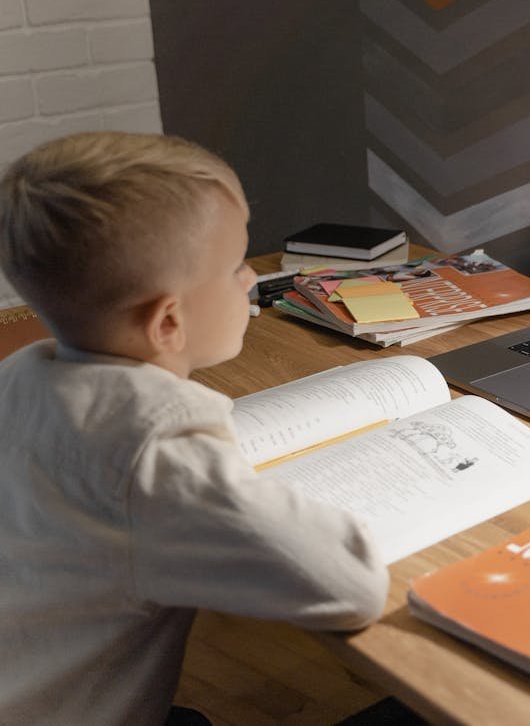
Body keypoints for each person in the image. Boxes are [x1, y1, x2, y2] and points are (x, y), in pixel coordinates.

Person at [0, 133, 389, 725]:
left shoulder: (18, 377)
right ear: (168, 321)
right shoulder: (154, 447)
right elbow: (350, 586)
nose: (251, 283)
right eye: (236, 268)